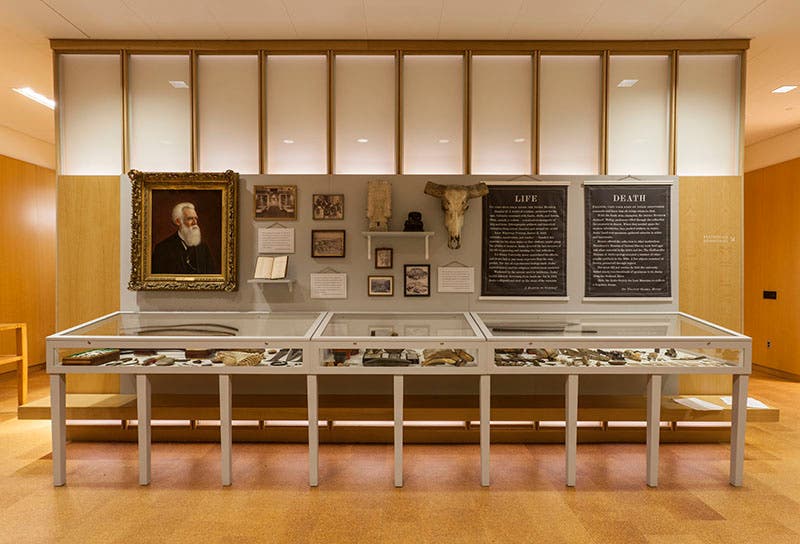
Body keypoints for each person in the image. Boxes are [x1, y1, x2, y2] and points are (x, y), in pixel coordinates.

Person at [151, 202, 217, 274]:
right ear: (178, 221)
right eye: (190, 219)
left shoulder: (203, 248)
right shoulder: (162, 249)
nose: (195, 222)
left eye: (196, 218)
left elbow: (212, 275)